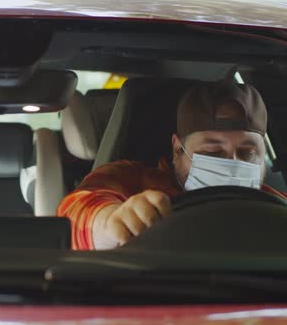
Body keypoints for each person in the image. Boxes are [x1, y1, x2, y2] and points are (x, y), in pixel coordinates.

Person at [57, 80, 286, 250]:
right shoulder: (129, 179)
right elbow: (76, 211)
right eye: (212, 152)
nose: (233, 164)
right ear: (177, 149)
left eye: (247, 153)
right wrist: (110, 222)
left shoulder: (275, 205)